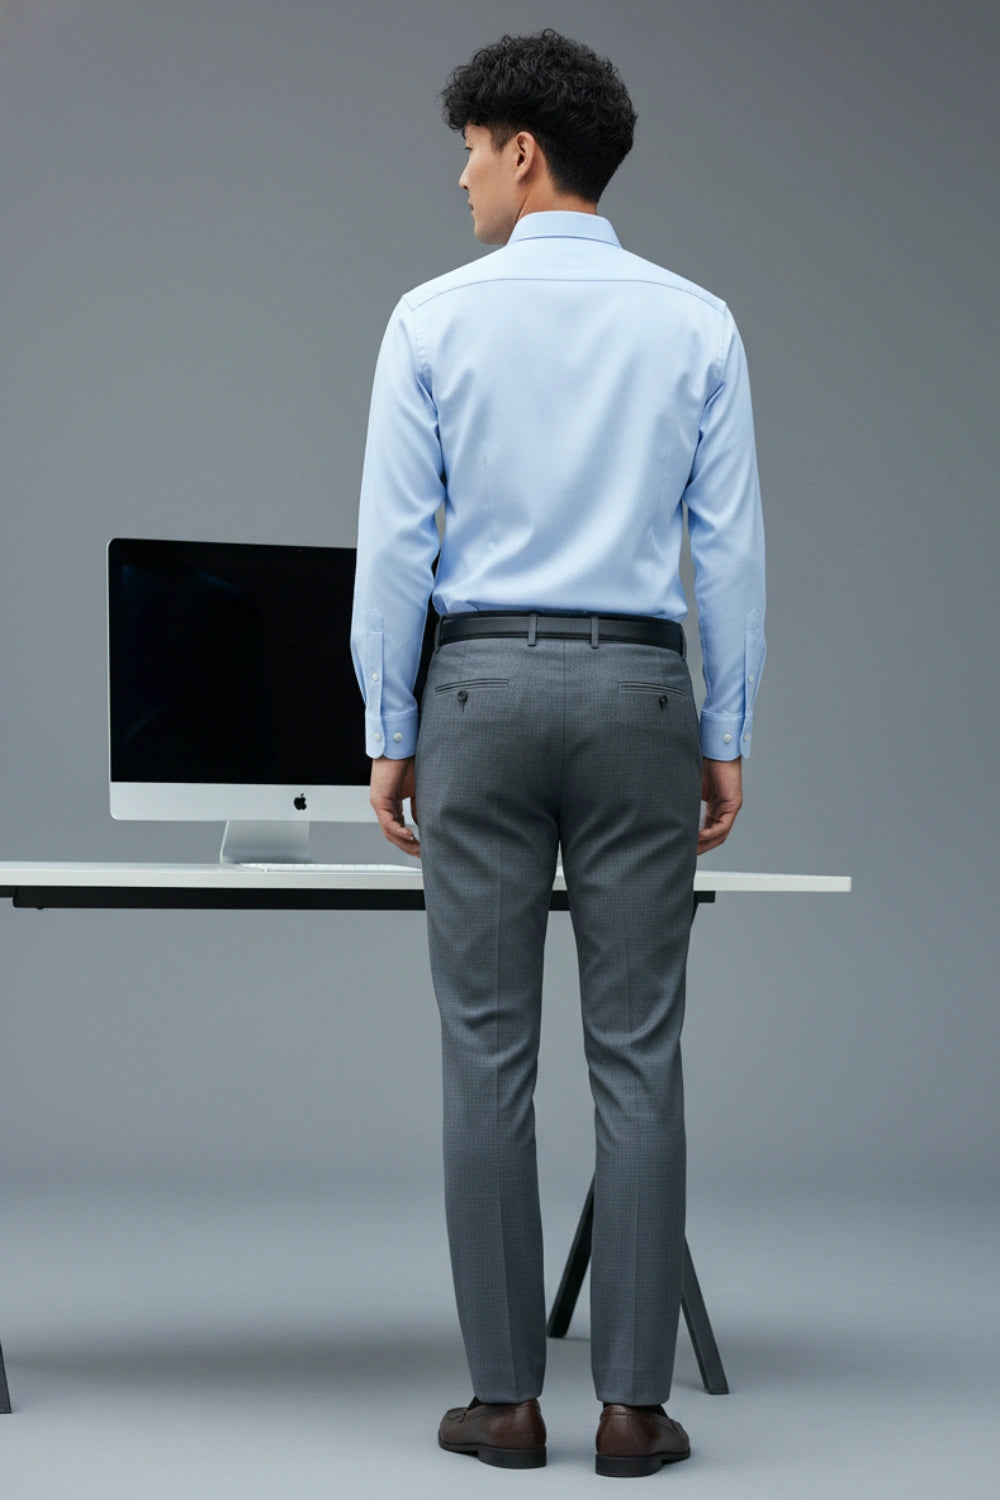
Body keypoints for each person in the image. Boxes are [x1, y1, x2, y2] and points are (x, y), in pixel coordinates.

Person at [350, 26, 766, 1478]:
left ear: (524, 149)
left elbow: (396, 550)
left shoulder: (429, 319)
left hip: (475, 693)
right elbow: (733, 557)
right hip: (646, 695)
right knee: (640, 1056)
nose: (461, 179)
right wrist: (727, 734)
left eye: (470, 151)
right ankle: (638, 1412)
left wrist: (387, 730)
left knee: (487, 1058)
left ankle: (506, 1400)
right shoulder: (699, 321)